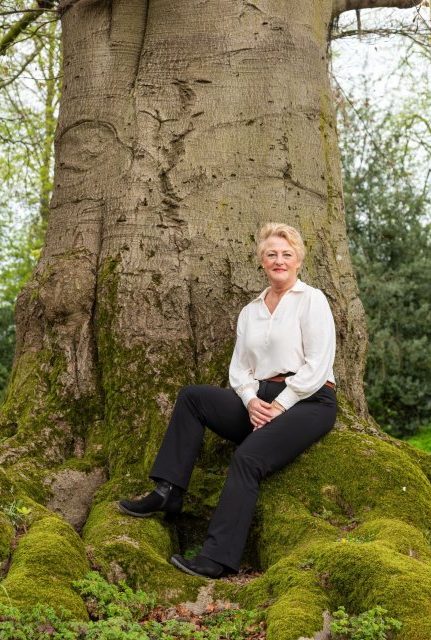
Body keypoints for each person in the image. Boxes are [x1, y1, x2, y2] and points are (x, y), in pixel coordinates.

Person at [118, 222, 338, 579]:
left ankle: (216, 559)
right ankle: (168, 491)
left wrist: (280, 406)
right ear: (262, 262)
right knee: (193, 398)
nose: (279, 260)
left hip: (310, 400)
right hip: (260, 399)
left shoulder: (312, 300)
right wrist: (251, 401)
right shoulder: (250, 310)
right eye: (271, 255)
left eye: (286, 254)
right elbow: (239, 370)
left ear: (298, 260)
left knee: (248, 457)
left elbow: (318, 364)